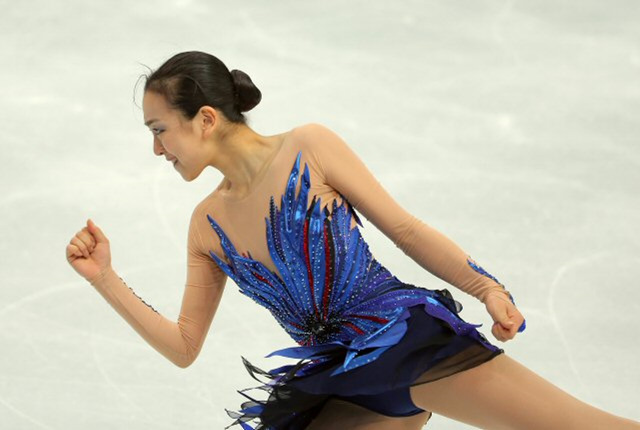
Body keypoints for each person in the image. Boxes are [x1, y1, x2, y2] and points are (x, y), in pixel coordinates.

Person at [66, 51, 639, 430]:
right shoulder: (205, 226)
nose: (157, 150)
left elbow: (405, 228)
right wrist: (105, 280)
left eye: (160, 131)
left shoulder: (307, 147)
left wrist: (485, 288)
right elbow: (185, 346)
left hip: (408, 342)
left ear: (207, 119)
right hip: (338, 375)